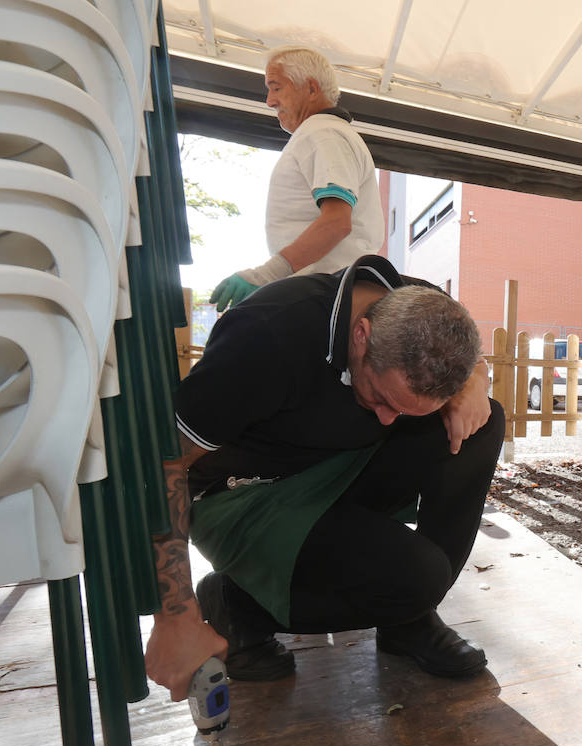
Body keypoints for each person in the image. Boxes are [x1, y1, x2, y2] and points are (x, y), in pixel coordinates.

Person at [145, 254, 505, 701]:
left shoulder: (423, 306)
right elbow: (165, 466)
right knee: (417, 575)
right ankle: (238, 607)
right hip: (243, 495)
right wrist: (174, 615)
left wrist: (474, 380)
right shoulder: (266, 335)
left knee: (481, 423)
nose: (389, 419)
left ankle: (409, 621)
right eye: (380, 396)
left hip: (334, 466)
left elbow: (470, 364)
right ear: (361, 335)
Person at [209, 46, 384, 312]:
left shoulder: (323, 134)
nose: (269, 101)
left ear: (312, 89)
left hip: (326, 294)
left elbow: (337, 222)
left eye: (276, 87)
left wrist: (266, 275)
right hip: (328, 291)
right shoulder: (324, 134)